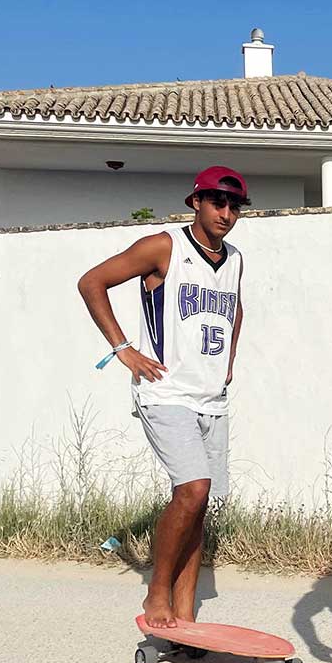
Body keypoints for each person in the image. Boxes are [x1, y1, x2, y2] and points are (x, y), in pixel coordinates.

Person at [78, 166, 249, 627]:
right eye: (218, 202)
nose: (226, 213)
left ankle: (184, 610)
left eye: (234, 206)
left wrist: (227, 361)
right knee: (192, 489)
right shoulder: (164, 246)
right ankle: (157, 591)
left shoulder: (234, 259)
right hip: (165, 391)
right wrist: (123, 349)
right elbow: (91, 282)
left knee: (200, 504)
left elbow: (235, 309)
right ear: (196, 201)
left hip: (211, 398)